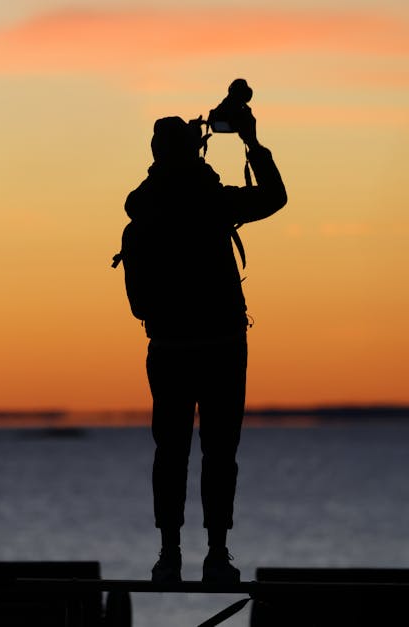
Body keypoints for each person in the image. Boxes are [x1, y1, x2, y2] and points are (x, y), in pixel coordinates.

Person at [121, 106, 287, 584]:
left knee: (170, 451)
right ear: (193, 151)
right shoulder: (212, 202)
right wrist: (251, 143)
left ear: (155, 154)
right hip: (222, 346)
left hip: (169, 347)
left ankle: (168, 556)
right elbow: (275, 197)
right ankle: (217, 554)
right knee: (220, 451)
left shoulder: (146, 209)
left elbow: (137, 306)